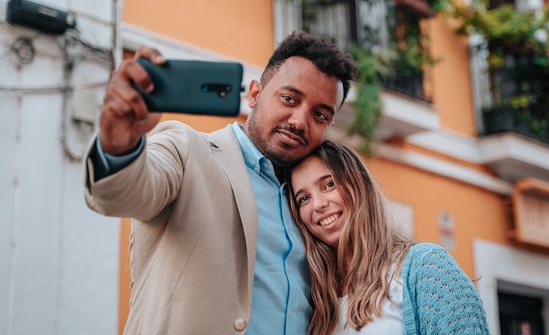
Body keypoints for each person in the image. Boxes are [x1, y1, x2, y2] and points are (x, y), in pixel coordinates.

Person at [83, 31, 358, 335]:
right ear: (254, 94)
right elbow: (120, 193)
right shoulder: (187, 150)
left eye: (320, 114)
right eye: (289, 99)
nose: (299, 121)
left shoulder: (314, 202)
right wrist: (119, 142)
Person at [286, 141, 491, 335]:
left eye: (329, 184)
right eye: (304, 198)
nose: (317, 205)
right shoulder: (314, 302)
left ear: (360, 186)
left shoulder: (426, 267)